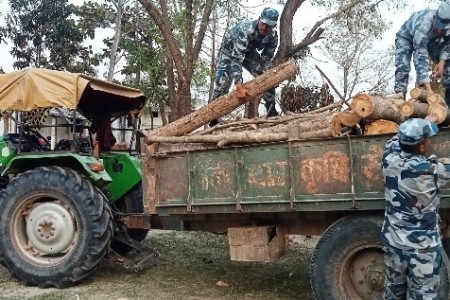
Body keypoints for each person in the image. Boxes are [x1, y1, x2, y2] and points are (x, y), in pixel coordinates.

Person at [381, 117, 450, 299]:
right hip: (423, 250)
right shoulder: (433, 172)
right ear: (422, 147)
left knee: (393, 294)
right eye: (428, 138)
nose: (430, 141)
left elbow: (394, 141)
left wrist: (422, 124)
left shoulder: (389, 160)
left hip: (395, 244)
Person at [209, 7, 280, 127]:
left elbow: (266, 59)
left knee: (266, 76)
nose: (264, 28)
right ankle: (213, 117)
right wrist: (238, 84)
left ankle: (271, 109)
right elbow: (236, 58)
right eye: (263, 24)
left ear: (273, 26)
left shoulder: (273, 37)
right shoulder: (245, 30)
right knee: (222, 83)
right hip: (229, 50)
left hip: (249, 52)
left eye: (268, 26)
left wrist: (269, 75)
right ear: (259, 19)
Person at [395, 2, 450, 104]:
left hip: (432, 40)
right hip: (406, 37)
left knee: (448, 63)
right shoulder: (423, 25)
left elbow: (448, 45)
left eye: (443, 29)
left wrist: (441, 62)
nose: (439, 30)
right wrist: (429, 90)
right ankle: (399, 98)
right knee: (403, 67)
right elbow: (420, 57)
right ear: (435, 19)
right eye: (438, 28)